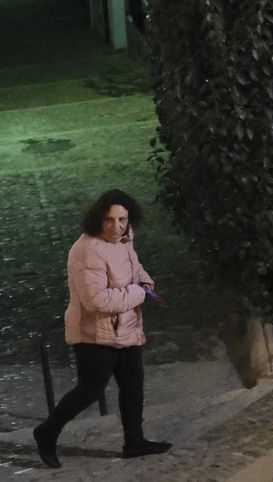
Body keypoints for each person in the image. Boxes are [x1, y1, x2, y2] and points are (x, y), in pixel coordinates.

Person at [33, 190, 171, 469]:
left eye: (122, 219)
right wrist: (138, 294)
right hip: (95, 334)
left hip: (127, 328)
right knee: (89, 391)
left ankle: (135, 442)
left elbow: (135, 266)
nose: (117, 226)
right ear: (98, 218)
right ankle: (47, 431)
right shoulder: (87, 250)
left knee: (133, 386)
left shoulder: (125, 236)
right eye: (109, 220)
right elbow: (96, 300)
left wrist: (146, 282)